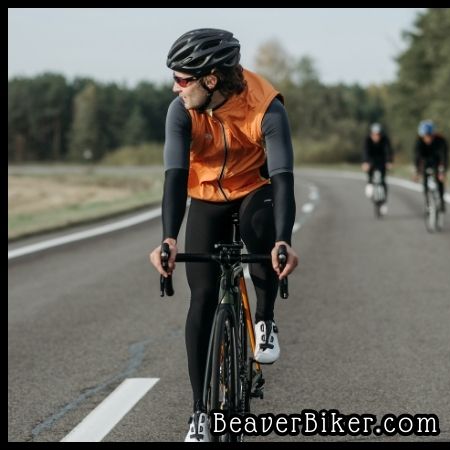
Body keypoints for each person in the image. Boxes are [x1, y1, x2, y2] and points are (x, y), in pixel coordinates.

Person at [148, 28, 299, 442]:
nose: (175, 88)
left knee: (261, 239)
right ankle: (200, 412)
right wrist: (168, 238)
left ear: (210, 79)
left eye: (182, 79)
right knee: (202, 297)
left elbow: (284, 177)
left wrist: (283, 241)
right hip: (206, 196)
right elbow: (175, 177)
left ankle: (265, 319)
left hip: (255, 187)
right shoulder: (181, 110)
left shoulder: (266, 107)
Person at [413, 120, 449, 212]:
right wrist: (417, 172)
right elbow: (417, 157)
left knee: (439, 180)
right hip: (426, 163)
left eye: (429, 136)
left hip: (438, 162)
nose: (427, 138)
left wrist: (442, 171)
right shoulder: (419, 142)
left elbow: (444, 156)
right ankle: (427, 202)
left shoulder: (441, 141)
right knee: (425, 182)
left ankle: (441, 200)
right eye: (425, 136)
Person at [361, 123, 394, 214]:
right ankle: (369, 183)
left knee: (383, 181)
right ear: (371, 134)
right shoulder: (367, 140)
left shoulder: (385, 139)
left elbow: (388, 151)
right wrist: (365, 163)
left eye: (378, 134)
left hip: (382, 161)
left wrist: (389, 162)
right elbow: (365, 152)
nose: (376, 137)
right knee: (370, 179)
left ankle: (383, 202)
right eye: (374, 134)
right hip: (371, 162)